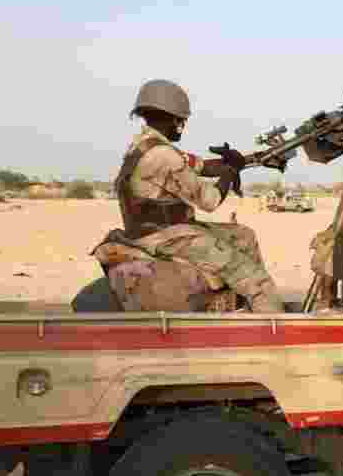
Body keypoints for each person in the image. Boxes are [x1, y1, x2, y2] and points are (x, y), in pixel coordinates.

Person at [113, 79, 282, 312]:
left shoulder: (145, 145)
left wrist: (240, 161)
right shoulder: (163, 155)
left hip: (160, 230)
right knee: (255, 278)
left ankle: (240, 308)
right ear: (173, 118)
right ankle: (272, 327)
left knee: (244, 235)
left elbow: (199, 166)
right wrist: (230, 173)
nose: (182, 126)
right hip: (167, 236)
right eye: (181, 120)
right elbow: (210, 200)